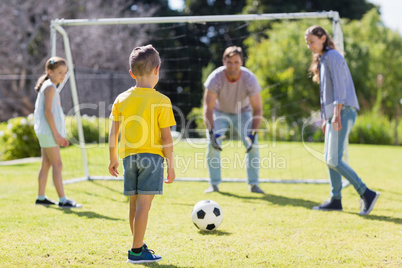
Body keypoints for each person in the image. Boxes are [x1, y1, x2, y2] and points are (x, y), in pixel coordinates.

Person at [108, 45, 176, 264]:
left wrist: (113, 158)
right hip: (152, 158)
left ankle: (138, 244)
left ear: (131, 73)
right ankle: (136, 251)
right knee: (144, 206)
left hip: (129, 158)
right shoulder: (162, 101)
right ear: (157, 69)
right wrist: (171, 165)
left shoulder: (121, 99)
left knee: (134, 204)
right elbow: (166, 138)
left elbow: (113, 133)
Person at [305, 25, 380, 215]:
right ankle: (335, 199)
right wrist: (326, 118)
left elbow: (340, 89)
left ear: (322, 38)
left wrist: (336, 114)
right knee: (329, 159)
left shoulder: (333, 56)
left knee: (334, 159)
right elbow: (326, 93)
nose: (309, 46)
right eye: (307, 43)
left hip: (343, 111)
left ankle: (367, 193)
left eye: (311, 42)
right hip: (334, 114)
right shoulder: (323, 59)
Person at [203, 46, 264, 194]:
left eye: (236, 62)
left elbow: (258, 109)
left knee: (253, 146)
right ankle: (214, 184)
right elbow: (208, 108)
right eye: (229, 62)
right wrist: (212, 133)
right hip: (219, 112)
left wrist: (253, 133)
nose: (233, 66)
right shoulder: (215, 78)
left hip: (243, 113)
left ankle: (254, 184)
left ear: (241, 62)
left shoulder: (249, 79)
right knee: (212, 145)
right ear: (224, 62)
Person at [33, 57, 82, 209]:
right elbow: (48, 112)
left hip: (46, 132)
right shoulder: (50, 87)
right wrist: (57, 134)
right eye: (60, 72)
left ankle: (41, 197)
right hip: (49, 133)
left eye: (65, 73)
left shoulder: (50, 86)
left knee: (46, 164)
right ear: (49, 72)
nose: (63, 76)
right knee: (57, 164)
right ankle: (63, 200)